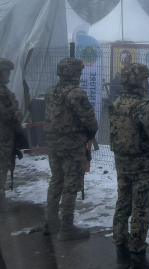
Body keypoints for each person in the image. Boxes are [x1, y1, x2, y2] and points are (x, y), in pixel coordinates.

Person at [109, 63, 149, 269]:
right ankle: (138, 257)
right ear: (139, 82)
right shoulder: (143, 106)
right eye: (145, 79)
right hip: (143, 167)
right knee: (141, 211)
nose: (146, 83)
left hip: (123, 164)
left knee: (122, 207)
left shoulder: (117, 102)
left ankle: (121, 254)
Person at [43, 57, 99, 240]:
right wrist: (89, 135)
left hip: (54, 144)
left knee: (56, 181)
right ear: (74, 73)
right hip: (72, 145)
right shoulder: (76, 93)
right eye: (79, 72)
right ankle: (66, 227)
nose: (80, 75)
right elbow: (90, 120)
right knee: (71, 184)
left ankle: (51, 222)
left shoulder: (52, 91)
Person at [0, 58, 24, 214]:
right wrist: (20, 132)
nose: (8, 75)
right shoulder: (3, 93)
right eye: (7, 72)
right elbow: (9, 116)